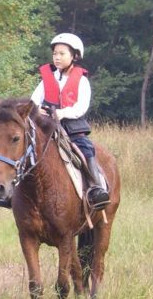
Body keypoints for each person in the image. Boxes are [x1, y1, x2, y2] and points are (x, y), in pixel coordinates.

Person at [33, 32, 109, 210]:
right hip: (46, 127)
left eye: (62, 54)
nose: (57, 57)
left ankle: (95, 188)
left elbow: (81, 107)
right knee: (24, 147)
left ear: (74, 56)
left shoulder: (81, 81)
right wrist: (36, 109)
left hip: (71, 128)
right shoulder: (46, 80)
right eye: (55, 54)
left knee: (86, 149)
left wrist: (62, 113)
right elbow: (34, 100)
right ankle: (12, 191)